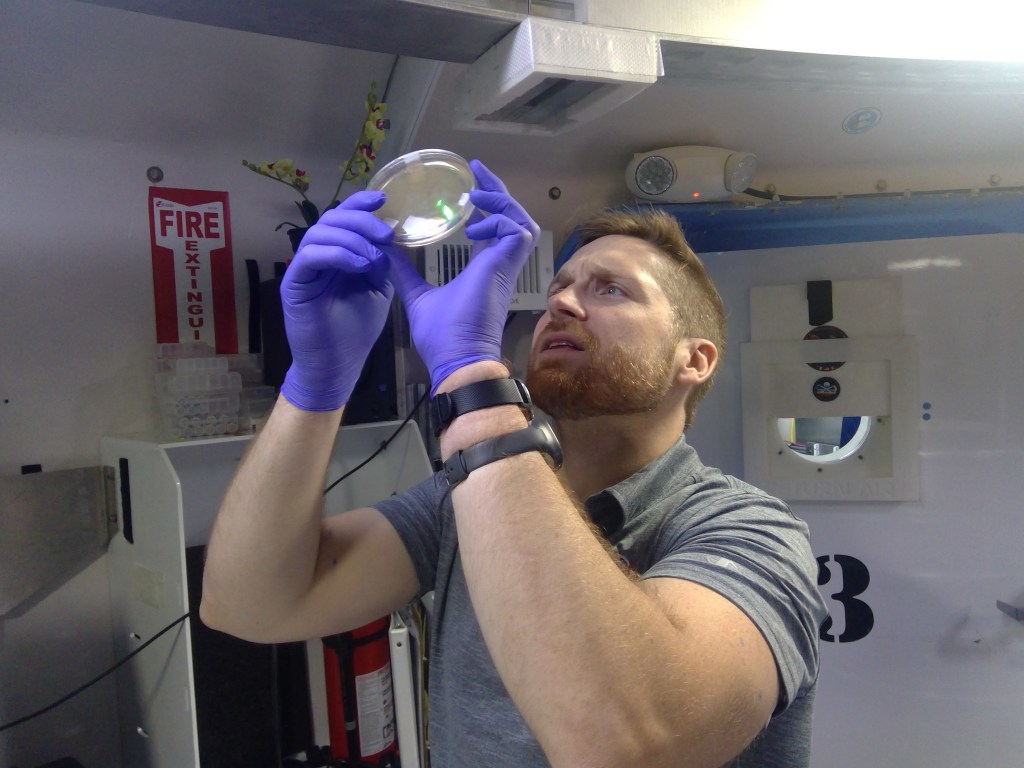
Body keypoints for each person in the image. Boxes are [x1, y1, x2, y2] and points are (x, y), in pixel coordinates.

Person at [200, 159, 827, 768]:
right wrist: (315, 382)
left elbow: (624, 743)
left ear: (696, 361)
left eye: (611, 290)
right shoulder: (460, 502)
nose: (564, 305)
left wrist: (469, 373)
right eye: (559, 288)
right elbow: (247, 605)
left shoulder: (750, 533)